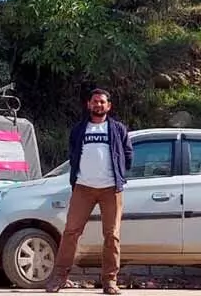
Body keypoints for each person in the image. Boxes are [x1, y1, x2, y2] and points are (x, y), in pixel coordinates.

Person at [46, 88, 133, 295]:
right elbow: (74, 154)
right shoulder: (79, 130)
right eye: (95, 101)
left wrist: (119, 173)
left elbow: (128, 154)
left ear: (108, 106)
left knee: (112, 235)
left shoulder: (118, 129)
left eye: (102, 102)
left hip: (111, 189)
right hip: (83, 188)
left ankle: (110, 281)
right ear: (89, 105)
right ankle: (59, 277)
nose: (98, 105)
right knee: (71, 232)